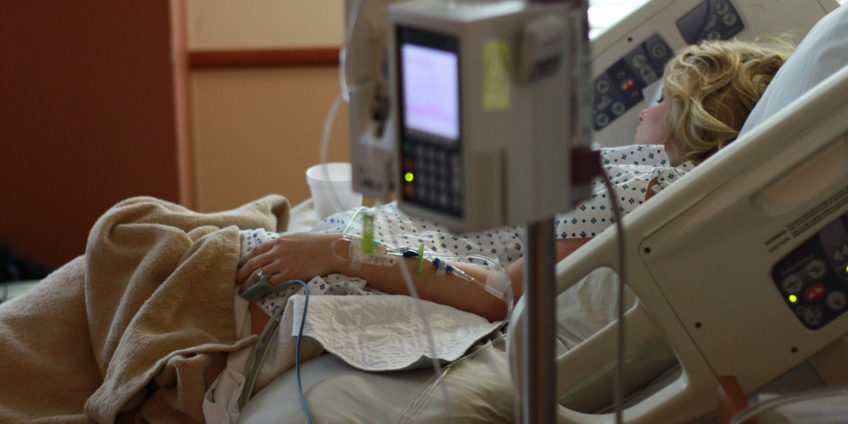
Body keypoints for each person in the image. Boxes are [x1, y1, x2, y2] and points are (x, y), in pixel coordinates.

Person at [236, 39, 791, 331]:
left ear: (694, 121)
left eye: (663, 100)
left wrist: (339, 251)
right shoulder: (632, 172)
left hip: (353, 274)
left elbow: (498, 293)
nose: (647, 108)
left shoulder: (646, 189)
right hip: (364, 244)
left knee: (155, 238)